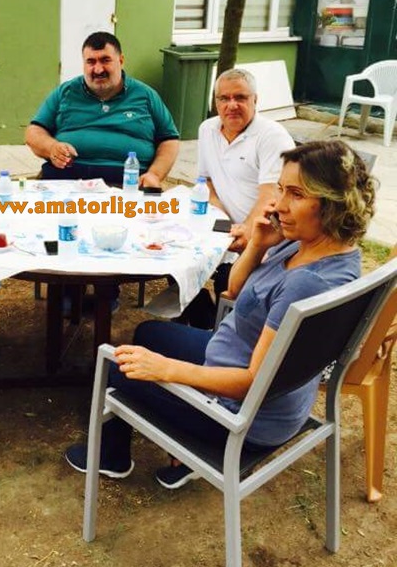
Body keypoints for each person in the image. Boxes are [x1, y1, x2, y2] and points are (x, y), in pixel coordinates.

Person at [65, 140, 375, 489]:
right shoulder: (325, 248)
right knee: (149, 334)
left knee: (115, 366)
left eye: (297, 194)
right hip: (262, 384)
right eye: (281, 189)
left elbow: (252, 383)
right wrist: (258, 243)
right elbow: (234, 290)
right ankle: (166, 453)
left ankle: (111, 457)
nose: (280, 205)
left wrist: (167, 369)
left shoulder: (306, 284)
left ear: (333, 203)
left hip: (241, 418)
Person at [182, 68, 296, 327]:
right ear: (215, 102)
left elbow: (271, 196)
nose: (231, 105)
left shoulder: (272, 136)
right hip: (225, 227)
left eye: (241, 98)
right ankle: (203, 319)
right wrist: (222, 219)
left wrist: (247, 232)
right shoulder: (207, 129)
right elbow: (206, 181)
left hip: (264, 235)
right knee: (175, 254)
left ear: (255, 100)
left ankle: (215, 330)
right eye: (224, 98)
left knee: (229, 284)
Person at [25, 31, 180, 188]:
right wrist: (51, 148)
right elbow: (34, 131)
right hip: (66, 181)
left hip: (130, 183)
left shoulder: (145, 95)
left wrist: (155, 174)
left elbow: (169, 140)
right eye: (91, 62)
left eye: (105, 60)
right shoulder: (65, 92)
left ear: (121, 60)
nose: (98, 69)